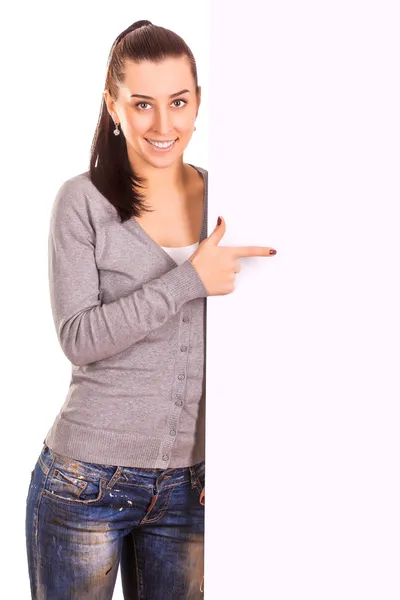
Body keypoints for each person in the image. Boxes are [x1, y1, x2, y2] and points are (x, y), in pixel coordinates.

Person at [25, 19, 277, 600]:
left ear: (198, 103)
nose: (164, 126)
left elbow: (255, 346)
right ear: (113, 106)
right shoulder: (82, 202)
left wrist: (234, 449)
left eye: (178, 102)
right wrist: (189, 279)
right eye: (142, 104)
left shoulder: (229, 199)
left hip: (193, 488)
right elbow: (79, 336)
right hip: (85, 480)